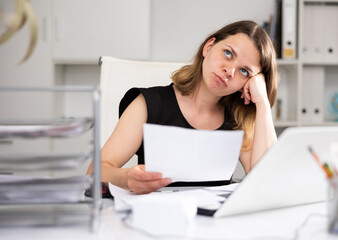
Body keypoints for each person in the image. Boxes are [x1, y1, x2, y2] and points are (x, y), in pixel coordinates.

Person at [87, 20, 278, 195]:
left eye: (244, 71)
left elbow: (266, 183)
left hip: (213, 229)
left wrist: (262, 103)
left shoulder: (238, 120)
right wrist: (126, 179)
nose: (230, 71)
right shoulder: (148, 104)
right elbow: (93, 172)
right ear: (208, 47)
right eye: (228, 53)